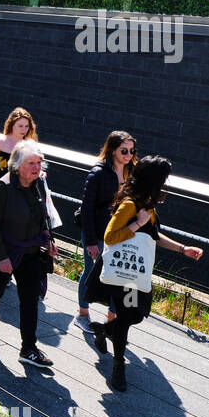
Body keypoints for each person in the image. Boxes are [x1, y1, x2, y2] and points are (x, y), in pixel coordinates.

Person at [87, 157, 204, 392]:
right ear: (154, 180)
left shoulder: (147, 204)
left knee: (135, 315)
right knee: (127, 316)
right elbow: (110, 237)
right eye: (164, 179)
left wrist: (183, 249)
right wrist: (137, 224)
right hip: (122, 271)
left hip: (133, 271)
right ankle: (118, 368)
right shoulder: (131, 204)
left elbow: (153, 236)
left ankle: (104, 330)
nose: (166, 183)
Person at [0, 141, 58, 369]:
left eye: (39, 163)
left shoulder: (38, 184)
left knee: (30, 300)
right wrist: (1, 258)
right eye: (31, 163)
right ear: (17, 165)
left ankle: (29, 348)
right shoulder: (3, 187)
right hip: (6, 250)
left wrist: (49, 240)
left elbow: (43, 215)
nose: (36, 167)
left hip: (30, 253)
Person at [78, 131, 136, 328]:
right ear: (112, 150)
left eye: (132, 150)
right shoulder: (98, 173)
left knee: (117, 276)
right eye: (124, 150)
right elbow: (86, 209)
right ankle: (83, 314)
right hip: (98, 232)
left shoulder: (132, 173)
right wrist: (92, 242)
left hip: (121, 233)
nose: (129, 154)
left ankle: (112, 320)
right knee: (90, 272)